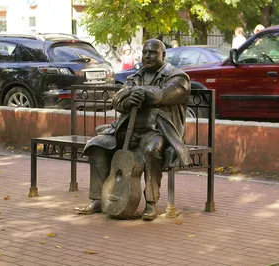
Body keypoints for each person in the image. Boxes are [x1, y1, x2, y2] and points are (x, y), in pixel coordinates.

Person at [74, 39, 192, 221]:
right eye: (145, 52)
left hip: (159, 131)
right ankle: (98, 199)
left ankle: (151, 204)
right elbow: (117, 99)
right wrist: (128, 101)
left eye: (153, 52)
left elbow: (165, 94)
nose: (148, 56)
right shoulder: (135, 76)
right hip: (128, 129)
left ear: (163, 55)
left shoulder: (178, 77)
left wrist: (141, 92)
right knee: (97, 144)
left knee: (151, 149)